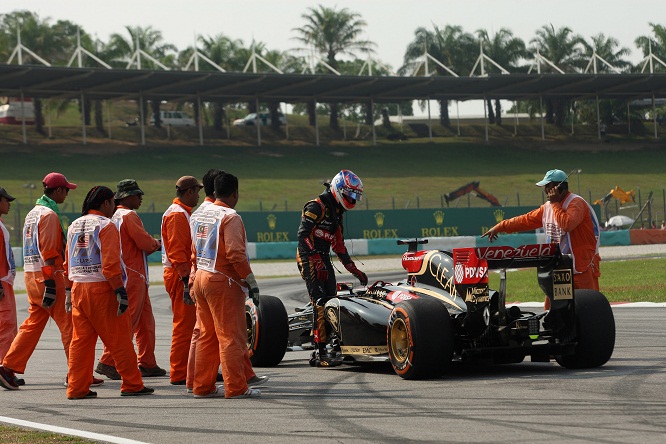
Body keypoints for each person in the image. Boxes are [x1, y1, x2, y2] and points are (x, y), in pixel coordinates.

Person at [0, 173, 103, 390]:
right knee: (72, 327)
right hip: (49, 277)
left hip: (31, 275)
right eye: (66, 190)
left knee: (33, 325)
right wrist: (49, 284)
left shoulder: (32, 214)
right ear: (57, 191)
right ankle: (77, 374)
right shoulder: (49, 216)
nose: (67, 194)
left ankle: (8, 367)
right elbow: (48, 251)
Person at [65, 186, 153, 399]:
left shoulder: (74, 225)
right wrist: (120, 291)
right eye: (113, 202)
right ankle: (132, 384)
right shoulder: (106, 225)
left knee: (81, 342)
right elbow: (111, 264)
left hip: (78, 288)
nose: (114, 207)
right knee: (120, 338)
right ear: (105, 203)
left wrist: (68, 291)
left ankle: (76, 388)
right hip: (103, 289)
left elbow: (67, 262)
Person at [482, 169, 601, 309]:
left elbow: (567, 224)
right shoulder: (548, 207)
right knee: (554, 309)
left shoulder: (576, 203)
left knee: (588, 308)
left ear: (559, 187)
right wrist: (500, 226)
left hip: (582, 266)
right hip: (559, 266)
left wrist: (555, 203)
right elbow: (525, 220)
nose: (545, 190)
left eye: (548, 186)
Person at [190, 172, 263, 398]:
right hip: (224, 281)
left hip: (201, 277)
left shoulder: (198, 214)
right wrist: (250, 280)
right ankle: (236, 387)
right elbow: (235, 253)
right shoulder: (230, 216)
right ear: (235, 193)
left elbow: (193, 251)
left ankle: (202, 386)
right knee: (231, 336)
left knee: (206, 335)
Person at [296, 170, 367, 367]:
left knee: (333, 302)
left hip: (323, 258)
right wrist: (314, 258)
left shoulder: (337, 213)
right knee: (319, 303)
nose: (352, 199)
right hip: (308, 256)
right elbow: (302, 236)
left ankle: (333, 345)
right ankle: (319, 354)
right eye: (350, 194)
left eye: (355, 195)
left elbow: (339, 246)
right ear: (338, 189)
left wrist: (353, 269)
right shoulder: (315, 206)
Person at [95, 180, 165, 380]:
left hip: (128, 274)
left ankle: (148, 362)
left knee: (145, 321)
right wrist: (157, 243)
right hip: (133, 275)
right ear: (126, 197)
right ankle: (108, 361)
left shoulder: (112, 216)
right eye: (137, 195)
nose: (141, 198)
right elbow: (144, 242)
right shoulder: (129, 215)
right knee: (129, 322)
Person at [186, 169, 224, 393]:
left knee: (199, 331)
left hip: (198, 273)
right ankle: (237, 381)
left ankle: (194, 381)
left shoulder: (198, 212)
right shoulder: (221, 213)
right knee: (225, 333)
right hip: (217, 277)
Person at [162, 176, 201, 385]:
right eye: (197, 191)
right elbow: (177, 252)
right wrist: (186, 280)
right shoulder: (177, 215)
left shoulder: (181, 213)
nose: (199, 196)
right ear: (189, 192)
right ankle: (179, 373)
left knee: (188, 325)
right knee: (184, 325)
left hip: (178, 273)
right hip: (179, 275)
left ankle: (189, 370)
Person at [0, 188, 18, 376]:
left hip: (6, 281)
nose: (9, 204)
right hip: (1, 282)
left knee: (8, 325)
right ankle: (4, 370)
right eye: (6, 201)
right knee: (6, 324)